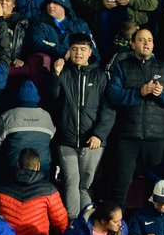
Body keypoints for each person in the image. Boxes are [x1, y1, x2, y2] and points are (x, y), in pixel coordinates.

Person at [106, 27, 164, 204]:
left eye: (149, 40)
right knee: (120, 186)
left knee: (155, 187)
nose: (146, 43)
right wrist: (138, 92)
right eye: (141, 40)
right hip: (128, 136)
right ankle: (117, 226)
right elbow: (112, 95)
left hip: (157, 137)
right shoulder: (122, 67)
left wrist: (162, 93)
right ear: (132, 44)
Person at [49, 32, 115, 217]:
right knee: (71, 180)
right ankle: (71, 224)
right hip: (66, 140)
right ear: (69, 51)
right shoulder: (64, 73)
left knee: (84, 185)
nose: (78, 53)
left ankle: (85, 225)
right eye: (75, 49)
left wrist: (99, 135)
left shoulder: (100, 76)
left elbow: (108, 109)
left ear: (90, 51)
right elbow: (52, 99)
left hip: (92, 141)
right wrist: (55, 75)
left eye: (83, 49)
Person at [0, 149, 69, 235]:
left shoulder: (0, 189)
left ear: (18, 165)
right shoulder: (49, 189)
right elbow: (61, 222)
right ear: (38, 166)